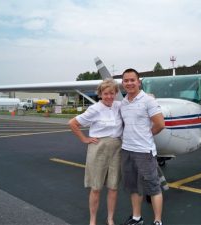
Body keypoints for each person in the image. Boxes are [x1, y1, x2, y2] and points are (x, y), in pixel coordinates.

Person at [69, 79, 123, 225]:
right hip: (98, 148)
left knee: (113, 186)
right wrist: (84, 139)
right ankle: (92, 220)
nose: (109, 96)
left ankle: (110, 218)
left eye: (112, 93)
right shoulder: (95, 109)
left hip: (116, 148)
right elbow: (72, 123)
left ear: (116, 93)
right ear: (100, 94)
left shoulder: (120, 106)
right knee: (96, 187)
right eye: (105, 93)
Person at [120, 68, 165, 225]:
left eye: (132, 80)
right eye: (126, 80)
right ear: (122, 83)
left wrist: (146, 135)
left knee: (153, 187)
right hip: (127, 150)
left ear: (139, 82)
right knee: (133, 187)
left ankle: (157, 221)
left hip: (144, 152)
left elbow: (160, 124)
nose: (129, 83)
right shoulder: (123, 103)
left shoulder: (148, 100)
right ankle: (137, 217)